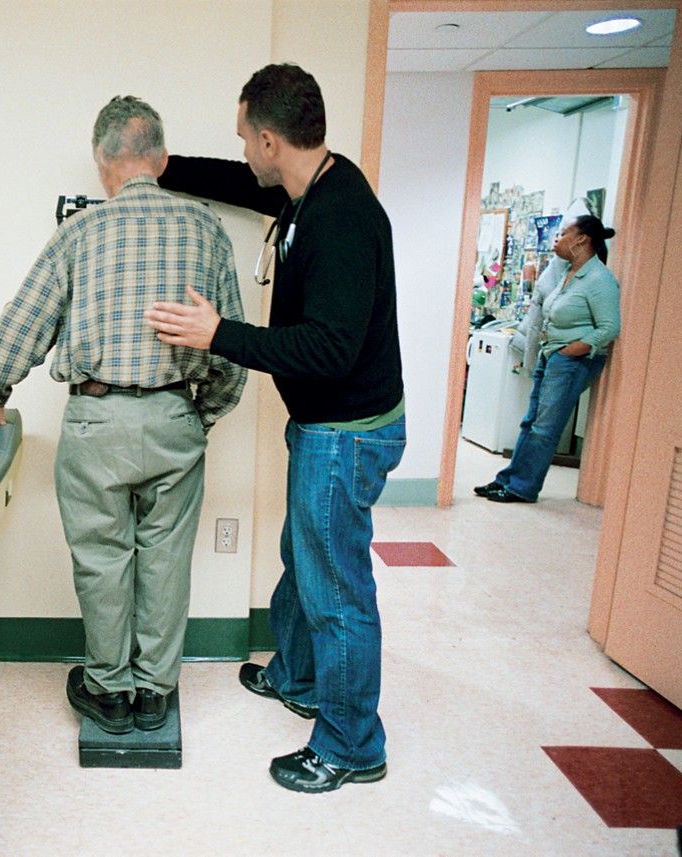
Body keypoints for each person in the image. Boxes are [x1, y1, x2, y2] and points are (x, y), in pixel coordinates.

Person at [144, 63, 405, 794]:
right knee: (305, 553)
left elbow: (329, 347)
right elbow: (237, 181)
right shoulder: (308, 184)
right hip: (326, 423)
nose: (243, 152)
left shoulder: (342, 217)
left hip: (348, 430)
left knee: (336, 589)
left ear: (269, 138)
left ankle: (351, 744)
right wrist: (160, 169)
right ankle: (299, 675)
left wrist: (218, 333)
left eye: (244, 139)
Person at [0, 96, 247, 735]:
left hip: (95, 424)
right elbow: (232, 342)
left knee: (102, 560)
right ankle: (154, 693)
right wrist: (201, 416)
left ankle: (109, 691)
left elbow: (20, 330)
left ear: (101, 163)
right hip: (175, 417)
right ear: (163, 159)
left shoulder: (78, 233)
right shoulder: (204, 228)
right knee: (166, 559)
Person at [476, 215, 620, 503]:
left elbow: (610, 327)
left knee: (545, 428)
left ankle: (523, 488)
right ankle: (508, 479)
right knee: (531, 423)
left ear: (581, 239)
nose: (557, 239)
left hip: (572, 360)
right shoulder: (566, 272)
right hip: (552, 354)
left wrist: (572, 349)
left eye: (564, 233)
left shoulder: (599, 279)